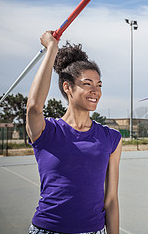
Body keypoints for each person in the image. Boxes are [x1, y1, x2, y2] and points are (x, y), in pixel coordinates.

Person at [26, 31, 122, 234]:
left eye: (99, 85)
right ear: (67, 87)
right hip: (47, 229)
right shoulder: (47, 131)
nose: (96, 91)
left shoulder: (111, 138)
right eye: (87, 84)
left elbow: (111, 199)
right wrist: (51, 48)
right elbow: (34, 107)